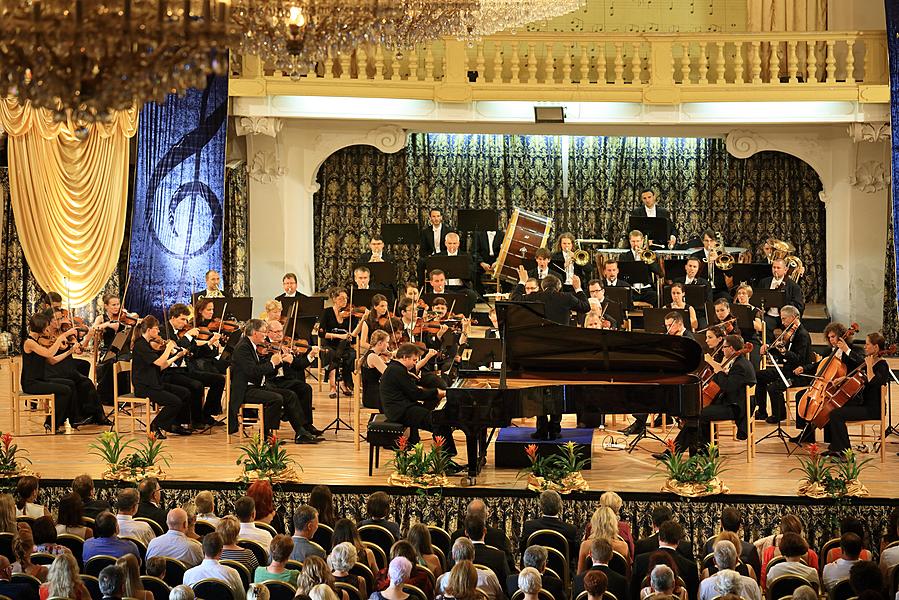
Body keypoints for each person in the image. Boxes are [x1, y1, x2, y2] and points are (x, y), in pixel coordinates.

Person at [510, 268, 590, 439]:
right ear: (559, 287)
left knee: (540, 389)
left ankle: (541, 428)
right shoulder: (566, 297)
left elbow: (514, 300)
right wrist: (578, 288)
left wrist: (522, 282)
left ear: (542, 286)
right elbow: (586, 307)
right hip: (561, 352)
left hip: (538, 352)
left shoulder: (535, 296)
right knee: (557, 388)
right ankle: (555, 427)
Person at [228, 319, 318, 443]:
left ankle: (301, 432)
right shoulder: (243, 347)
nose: (265, 335)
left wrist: (277, 361)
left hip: (257, 385)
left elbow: (258, 368)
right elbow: (252, 371)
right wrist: (272, 363)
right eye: (264, 332)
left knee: (290, 395)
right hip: (246, 389)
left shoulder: (252, 346)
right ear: (254, 333)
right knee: (276, 398)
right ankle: (265, 436)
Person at [789, 322, 865, 444]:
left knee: (827, 406)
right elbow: (819, 366)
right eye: (829, 337)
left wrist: (846, 350)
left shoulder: (855, 349)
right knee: (802, 396)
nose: (831, 340)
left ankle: (832, 438)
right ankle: (806, 433)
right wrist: (804, 368)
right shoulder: (829, 351)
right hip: (828, 388)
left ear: (841, 336)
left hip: (845, 390)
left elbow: (862, 363)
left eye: (833, 337)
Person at [818, 332, 890, 455]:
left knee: (837, 414)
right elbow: (860, 378)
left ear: (876, 347)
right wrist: (844, 378)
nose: (865, 347)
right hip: (864, 404)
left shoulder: (882, 365)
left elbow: (873, 382)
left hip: (873, 409)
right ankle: (836, 447)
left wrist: (868, 365)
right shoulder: (871, 362)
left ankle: (845, 452)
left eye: (867, 344)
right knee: (833, 409)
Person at [380, 343, 456, 457]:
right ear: (405, 357)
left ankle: (446, 457)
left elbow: (410, 391)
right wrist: (437, 393)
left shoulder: (396, 368)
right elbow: (415, 394)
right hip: (400, 411)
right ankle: (445, 458)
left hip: (402, 407)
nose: (415, 363)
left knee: (438, 420)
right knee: (437, 422)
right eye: (414, 360)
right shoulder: (397, 371)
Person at [130, 316, 192, 437]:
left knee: (185, 392)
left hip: (154, 383)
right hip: (145, 386)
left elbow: (161, 366)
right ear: (149, 330)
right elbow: (159, 362)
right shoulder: (140, 345)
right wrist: (168, 349)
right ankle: (155, 426)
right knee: (174, 402)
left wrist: (176, 356)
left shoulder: (147, 344)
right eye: (156, 329)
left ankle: (174, 424)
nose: (159, 332)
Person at [20, 312, 79, 433]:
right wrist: (61, 338)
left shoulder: (37, 342)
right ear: (41, 328)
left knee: (71, 384)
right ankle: (51, 423)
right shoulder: (29, 342)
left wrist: (70, 351)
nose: (48, 329)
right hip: (31, 383)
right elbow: (49, 353)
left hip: (40, 379)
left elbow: (52, 360)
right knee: (65, 390)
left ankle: (73, 419)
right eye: (46, 327)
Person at [266, 319, 324, 438]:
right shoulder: (264, 346)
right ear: (268, 332)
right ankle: (300, 430)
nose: (279, 334)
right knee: (291, 394)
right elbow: (266, 369)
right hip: (270, 381)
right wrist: (281, 360)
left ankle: (307, 425)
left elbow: (298, 365)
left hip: (283, 380)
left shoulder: (285, 344)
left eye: (281, 331)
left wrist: (310, 355)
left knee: (305, 388)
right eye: (276, 332)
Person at [755, 305, 811, 424]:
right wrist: (769, 348)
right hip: (786, 370)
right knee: (759, 375)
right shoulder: (790, 333)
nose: (782, 322)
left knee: (773, 387)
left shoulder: (802, 335)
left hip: (799, 374)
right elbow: (782, 351)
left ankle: (779, 415)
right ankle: (762, 411)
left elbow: (799, 359)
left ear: (793, 317)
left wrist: (784, 352)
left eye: (784, 319)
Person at [632, 521, 699, 600]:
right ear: (678, 541)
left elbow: (633, 594)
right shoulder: (690, 567)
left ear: (659, 538)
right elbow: (693, 597)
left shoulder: (640, 561)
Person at [320, 287, 360, 398]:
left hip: (345, 346)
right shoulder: (327, 312)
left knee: (351, 355)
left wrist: (359, 324)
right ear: (334, 299)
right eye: (341, 298)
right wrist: (339, 336)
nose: (344, 301)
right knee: (330, 354)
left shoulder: (350, 315)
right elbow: (321, 334)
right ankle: (333, 386)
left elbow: (353, 335)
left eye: (346, 299)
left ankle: (343, 382)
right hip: (329, 345)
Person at [182, 532, 246, 600]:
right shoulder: (232, 573)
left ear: (202, 549)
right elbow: (241, 597)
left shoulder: (188, 574)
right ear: (221, 551)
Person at [520, 490, 578, 563]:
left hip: (535, 570)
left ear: (540, 506)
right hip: (561, 571)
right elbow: (573, 554)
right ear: (560, 506)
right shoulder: (570, 530)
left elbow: (523, 549)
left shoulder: (530, 526)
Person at [702, 508, 761, 578]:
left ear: (721, 523)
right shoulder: (750, 549)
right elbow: (756, 578)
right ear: (739, 526)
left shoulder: (709, 545)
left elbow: (704, 573)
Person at [437, 538, 503, 600]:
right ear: (473, 556)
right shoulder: (489, 577)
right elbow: (500, 597)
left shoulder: (442, 580)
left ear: (453, 556)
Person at [759, 258, 805, 342]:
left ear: (785, 270)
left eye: (778, 268)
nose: (775, 270)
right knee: (763, 325)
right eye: (774, 267)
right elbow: (758, 299)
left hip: (784, 317)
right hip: (768, 315)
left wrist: (781, 302)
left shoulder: (793, 286)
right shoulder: (764, 282)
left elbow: (799, 305)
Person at [578, 507, 629, 574]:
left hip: (591, 583)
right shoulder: (623, 547)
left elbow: (580, 573)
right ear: (614, 524)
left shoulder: (585, 546)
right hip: (617, 583)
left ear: (594, 523)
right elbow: (628, 576)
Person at [619, 230, 662, 305]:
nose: (635, 244)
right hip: (632, 289)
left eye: (638, 241)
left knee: (654, 296)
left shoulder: (648, 254)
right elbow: (622, 274)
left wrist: (649, 260)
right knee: (623, 298)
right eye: (633, 241)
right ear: (629, 241)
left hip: (646, 290)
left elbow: (659, 272)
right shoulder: (624, 256)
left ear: (642, 241)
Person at [690, 231, 730, 301]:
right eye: (706, 241)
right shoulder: (695, 255)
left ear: (715, 242)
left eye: (711, 241)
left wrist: (717, 259)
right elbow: (693, 274)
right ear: (703, 241)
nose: (709, 243)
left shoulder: (722, 255)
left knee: (727, 299)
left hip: (719, 289)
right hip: (702, 288)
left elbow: (729, 273)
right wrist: (705, 262)